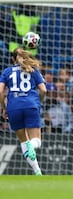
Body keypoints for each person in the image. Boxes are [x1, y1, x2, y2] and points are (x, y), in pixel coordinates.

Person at [0, 47, 46, 175]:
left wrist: (4, 108)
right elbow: (43, 90)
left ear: (12, 59)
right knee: (36, 141)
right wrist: (38, 102)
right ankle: (32, 146)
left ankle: (37, 172)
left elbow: (0, 91)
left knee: (23, 141)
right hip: (31, 105)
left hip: (13, 106)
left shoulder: (6, 72)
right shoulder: (33, 70)